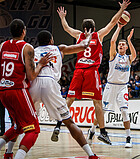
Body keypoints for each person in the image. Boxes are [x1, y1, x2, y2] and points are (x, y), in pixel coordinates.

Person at [54, 0, 131, 145]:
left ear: (83, 29)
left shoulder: (78, 35)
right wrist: (121, 9)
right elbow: (113, 22)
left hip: (78, 71)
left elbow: (66, 28)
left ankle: (58, 125)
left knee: (69, 100)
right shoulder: (98, 35)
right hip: (91, 72)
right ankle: (103, 132)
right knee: (97, 102)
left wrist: (62, 17)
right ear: (94, 28)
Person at [30, 30, 97, 158]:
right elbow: (83, 46)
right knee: (69, 122)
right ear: (51, 40)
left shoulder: (31, 51)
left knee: (23, 123)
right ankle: (91, 154)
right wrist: (88, 37)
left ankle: (9, 152)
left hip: (34, 83)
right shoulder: (58, 49)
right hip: (50, 83)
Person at [0, 19, 51, 159]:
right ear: (24, 31)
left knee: (18, 127)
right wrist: (40, 64)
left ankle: (8, 154)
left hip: (3, 91)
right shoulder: (27, 48)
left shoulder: (2, 46)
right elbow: (32, 75)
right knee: (33, 130)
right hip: (18, 90)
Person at [88, 24, 136, 148]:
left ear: (126, 47)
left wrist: (129, 41)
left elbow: (134, 55)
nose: (121, 45)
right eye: (120, 44)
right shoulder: (113, 56)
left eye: (123, 44)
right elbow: (113, 41)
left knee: (124, 112)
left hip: (122, 87)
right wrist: (119, 27)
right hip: (110, 86)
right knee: (102, 112)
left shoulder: (128, 58)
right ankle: (92, 130)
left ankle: (129, 138)